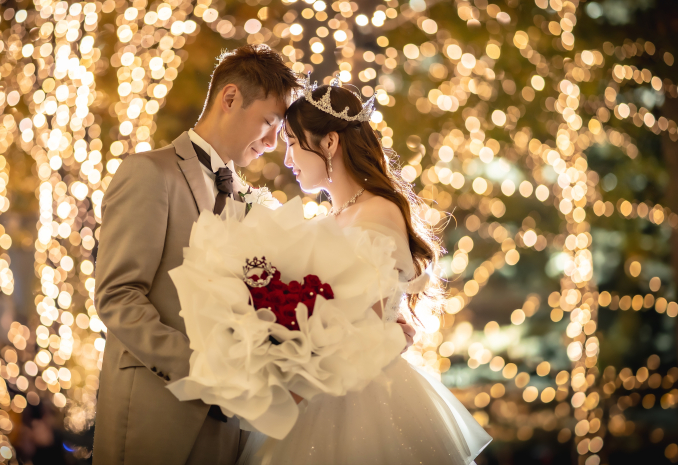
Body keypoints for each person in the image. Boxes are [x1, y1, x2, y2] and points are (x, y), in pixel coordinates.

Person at [92, 45, 417, 465]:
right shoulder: (151, 174)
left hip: (233, 431)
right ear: (229, 99)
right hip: (157, 414)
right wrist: (207, 371)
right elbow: (118, 296)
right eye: (268, 123)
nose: (270, 143)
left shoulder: (255, 203)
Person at [237, 81, 492, 464]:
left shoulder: (377, 213)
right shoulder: (334, 217)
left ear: (329, 143)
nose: (288, 158)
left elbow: (362, 328)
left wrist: (293, 385)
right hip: (316, 384)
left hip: (359, 398)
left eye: (292, 142)